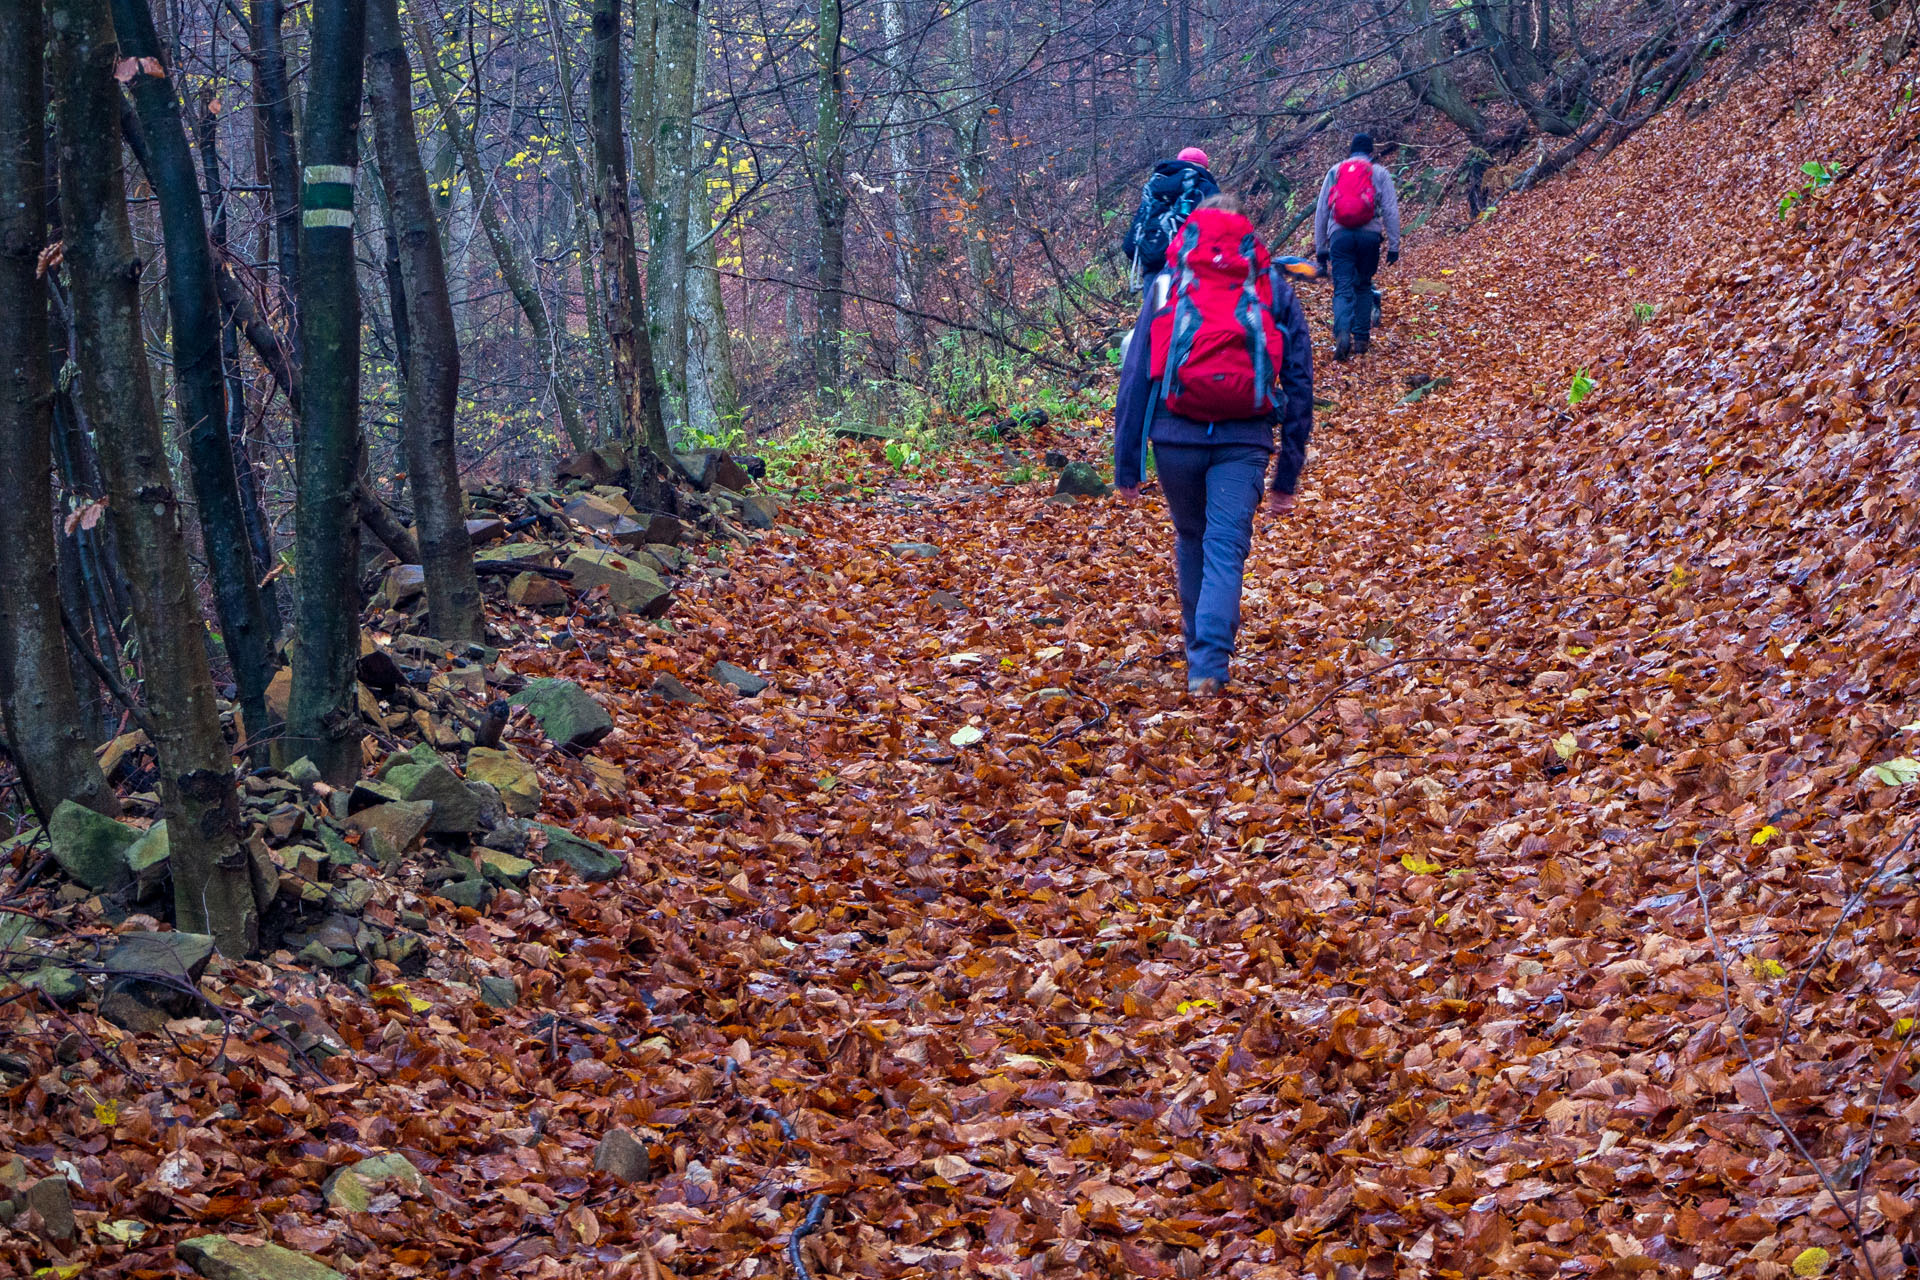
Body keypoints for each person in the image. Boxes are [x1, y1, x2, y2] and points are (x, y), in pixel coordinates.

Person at [1113, 194, 1314, 696]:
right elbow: (1300, 381)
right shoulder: (1270, 285)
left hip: (1173, 435)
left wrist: (1128, 467)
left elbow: (1136, 377)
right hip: (1245, 438)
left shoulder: (1164, 284)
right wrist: (1286, 475)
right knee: (1225, 546)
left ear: (1191, 232)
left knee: (1190, 537)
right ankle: (1208, 665)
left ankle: (1197, 648)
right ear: (1245, 231)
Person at [1313, 133, 1401, 361]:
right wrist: (1394, 244)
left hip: (1339, 236)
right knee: (1363, 285)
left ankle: (1342, 332)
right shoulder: (1379, 172)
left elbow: (1322, 211)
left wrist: (1321, 248)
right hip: (1369, 237)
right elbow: (1390, 210)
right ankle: (1361, 339)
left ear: (1350, 152)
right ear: (1371, 152)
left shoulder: (1335, 171)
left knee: (1342, 286)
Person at [1120, 146, 1220, 287]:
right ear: (1205, 168)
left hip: (1154, 267)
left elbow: (1134, 236)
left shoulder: (1155, 187)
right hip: (1192, 269)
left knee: (1154, 309)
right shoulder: (1207, 189)